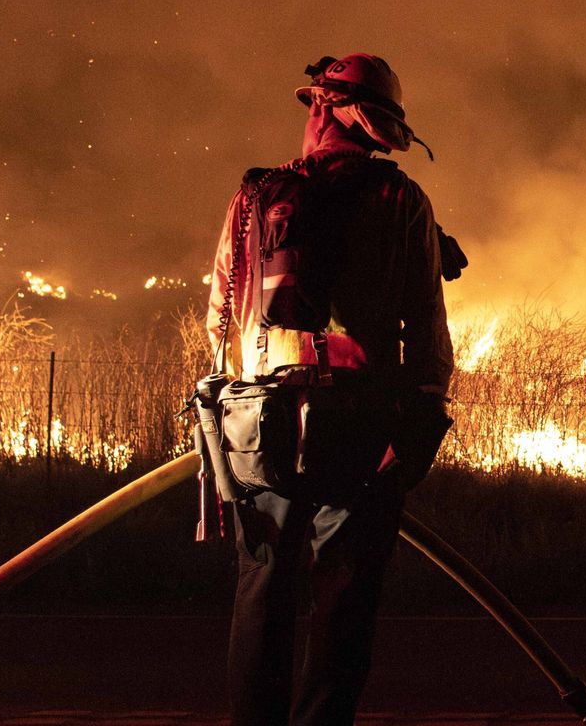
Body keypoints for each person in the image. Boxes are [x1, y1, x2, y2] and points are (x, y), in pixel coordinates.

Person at [205, 53, 458, 726]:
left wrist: (237, 412)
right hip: (362, 428)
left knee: (262, 600)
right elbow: (427, 331)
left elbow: (220, 321)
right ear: (376, 127)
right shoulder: (401, 200)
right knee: (343, 607)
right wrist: (423, 418)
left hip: (261, 427)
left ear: (319, 108)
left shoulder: (255, 197)